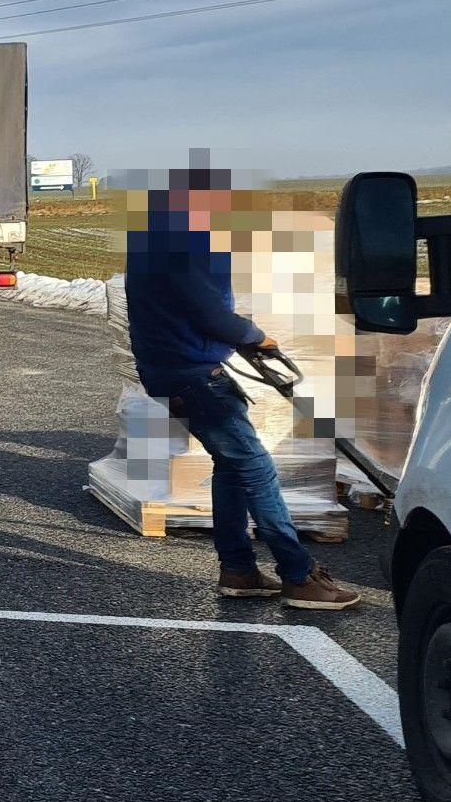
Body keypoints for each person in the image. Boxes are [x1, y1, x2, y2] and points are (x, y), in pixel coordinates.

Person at [125, 170, 357, 610]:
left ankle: (238, 570)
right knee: (255, 468)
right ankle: (298, 575)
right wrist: (254, 336)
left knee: (231, 466)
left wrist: (239, 337)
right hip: (194, 375)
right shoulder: (185, 244)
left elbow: (189, 306)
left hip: (174, 369)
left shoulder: (151, 242)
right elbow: (211, 314)